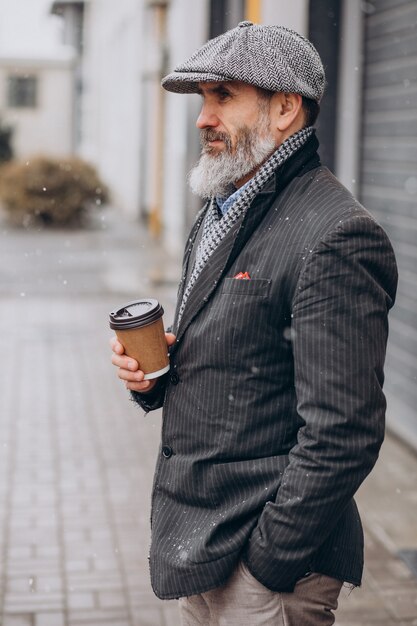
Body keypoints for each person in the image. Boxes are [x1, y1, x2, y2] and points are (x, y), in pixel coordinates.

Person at [111, 21, 398, 626]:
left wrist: (269, 560)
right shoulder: (224, 207)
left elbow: (344, 431)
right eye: (202, 99)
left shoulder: (335, 236)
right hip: (206, 543)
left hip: (265, 568)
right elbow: (246, 356)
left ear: (286, 108)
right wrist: (155, 378)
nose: (202, 118)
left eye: (224, 97)